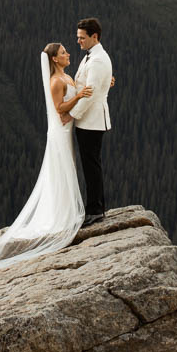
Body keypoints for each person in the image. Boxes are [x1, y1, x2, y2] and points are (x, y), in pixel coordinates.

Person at [0, 42, 93, 281]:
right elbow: (59, 108)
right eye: (64, 53)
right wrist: (78, 96)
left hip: (67, 130)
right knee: (61, 171)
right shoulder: (56, 82)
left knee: (68, 169)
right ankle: (61, 214)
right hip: (61, 131)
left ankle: (64, 211)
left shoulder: (65, 76)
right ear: (55, 59)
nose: (68, 55)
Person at [69, 17, 112, 226]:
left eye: (82, 38)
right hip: (89, 120)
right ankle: (96, 207)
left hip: (91, 121)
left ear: (94, 36)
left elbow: (92, 93)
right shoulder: (92, 57)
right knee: (91, 165)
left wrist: (73, 114)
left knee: (91, 166)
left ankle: (95, 210)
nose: (78, 41)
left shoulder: (97, 59)